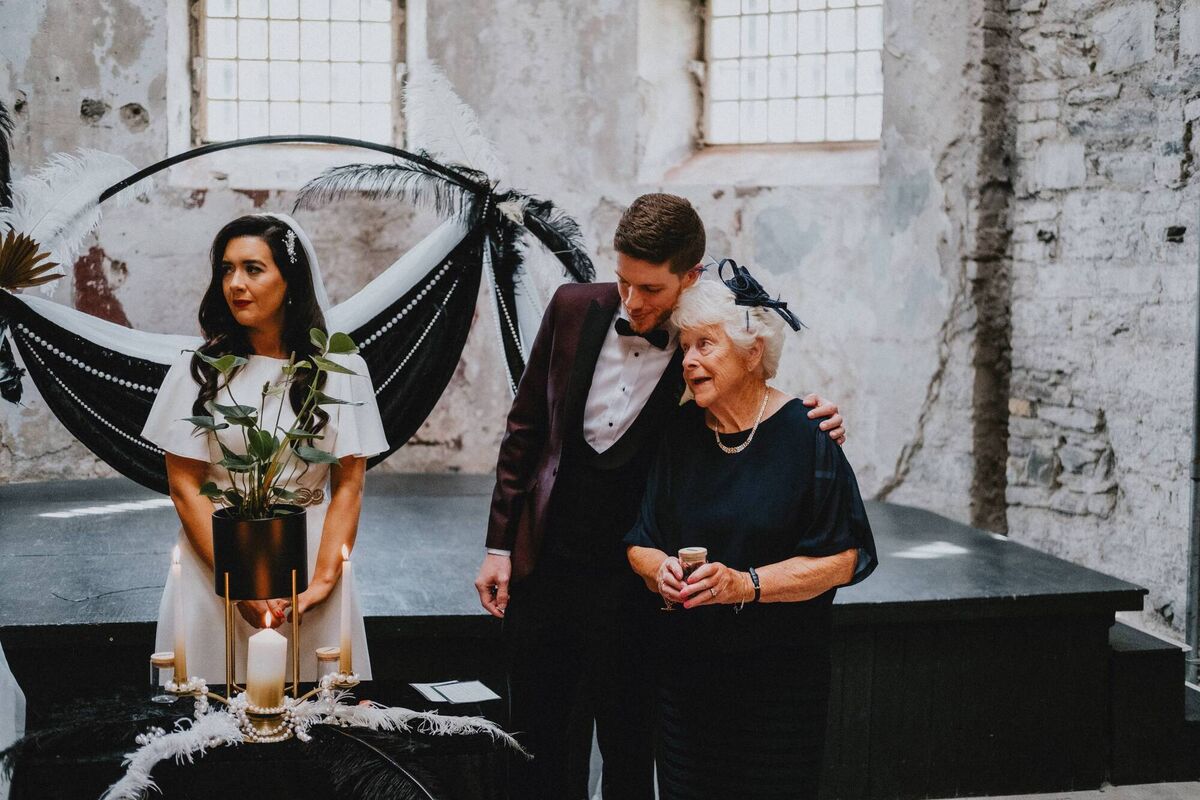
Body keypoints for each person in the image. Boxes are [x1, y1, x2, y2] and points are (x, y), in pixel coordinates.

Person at [474, 194, 848, 799]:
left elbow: (752, 392)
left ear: (690, 278)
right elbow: (525, 431)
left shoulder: (701, 345)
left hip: (640, 584)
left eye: (649, 289)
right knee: (539, 739)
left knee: (630, 748)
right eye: (622, 282)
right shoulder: (572, 308)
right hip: (546, 566)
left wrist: (817, 415)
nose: (632, 302)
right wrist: (498, 546)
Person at [624, 270, 878, 800]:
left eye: (706, 344)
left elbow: (843, 558)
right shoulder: (678, 435)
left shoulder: (808, 435)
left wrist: (745, 584)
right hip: (687, 686)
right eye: (685, 346)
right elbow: (639, 541)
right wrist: (659, 571)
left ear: (752, 351)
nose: (689, 359)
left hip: (777, 688)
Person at [142, 213, 387, 684]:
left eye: (253, 269)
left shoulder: (339, 370)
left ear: (289, 280)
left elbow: (350, 487)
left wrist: (321, 584)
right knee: (210, 714)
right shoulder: (199, 371)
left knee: (316, 714)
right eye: (227, 269)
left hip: (308, 560)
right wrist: (237, 583)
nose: (235, 283)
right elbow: (184, 486)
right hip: (217, 559)